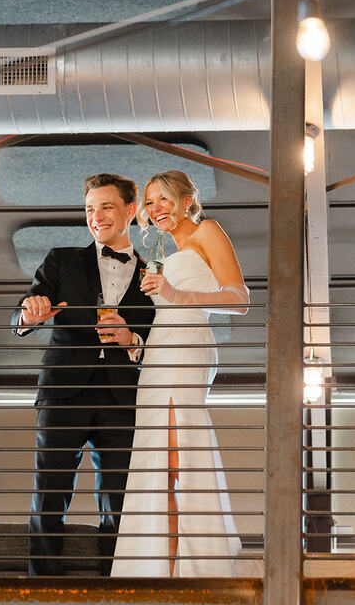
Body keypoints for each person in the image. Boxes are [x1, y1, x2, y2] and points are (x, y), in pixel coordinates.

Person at [13, 173, 154, 576]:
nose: (96, 216)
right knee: (49, 492)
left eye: (106, 207)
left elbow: (158, 339)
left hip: (122, 398)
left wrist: (131, 339)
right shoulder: (61, 259)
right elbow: (25, 309)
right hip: (63, 392)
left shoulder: (154, 274)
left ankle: (113, 587)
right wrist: (30, 314)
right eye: (90, 209)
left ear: (130, 210)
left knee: (119, 499)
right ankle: (42, 591)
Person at [111, 170, 249, 577]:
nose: (156, 209)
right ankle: (162, 567)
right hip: (158, 351)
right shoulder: (162, 251)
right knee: (157, 462)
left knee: (179, 455)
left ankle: (193, 566)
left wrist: (175, 294)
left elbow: (239, 298)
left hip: (188, 344)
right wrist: (133, 340)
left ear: (187, 200)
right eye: (150, 202)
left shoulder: (208, 231)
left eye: (164, 199)